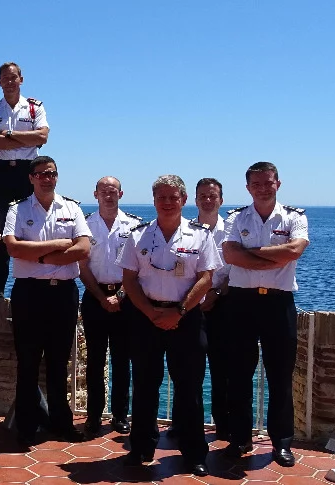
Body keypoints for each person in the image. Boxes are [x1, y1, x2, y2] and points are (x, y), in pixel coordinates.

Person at [117, 175, 218, 476]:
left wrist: (180, 311)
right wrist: (149, 312)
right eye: (161, 196)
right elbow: (129, 280)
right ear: (154, 200)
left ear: (184, 200)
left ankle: (194, 454)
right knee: (145, 387)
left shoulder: (200, 235)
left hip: (186, 320)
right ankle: (140, 449)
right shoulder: (138, 235)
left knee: (190, 390)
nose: (167, 202)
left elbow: (206, 278)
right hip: (145, 318)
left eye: (173, 197)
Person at [221, 162, 309, 467]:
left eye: (267, 183)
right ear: (248, 188)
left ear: (278, 184)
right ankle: (240, 438)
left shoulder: (294, 217)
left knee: (280, 377)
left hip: (278, 304)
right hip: (241, 303)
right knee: (239, 376)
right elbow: (229, 255)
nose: (262, 188)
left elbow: (295, 250)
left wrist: (250, 255)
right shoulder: (235, 218)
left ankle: (282, 443)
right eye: (256, 184)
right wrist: (275, 256)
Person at [1, 156, 89, 448]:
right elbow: (13, 247)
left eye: (51, 173)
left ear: (57, 176)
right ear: (31, 178)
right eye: (40, 174)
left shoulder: (72, 207)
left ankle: (60, 423)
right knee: (27, 362)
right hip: (29, 293)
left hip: (63, 294)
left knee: (57, 362)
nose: (46, 178)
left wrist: (36, 255)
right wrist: (54, 249)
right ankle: (26, 426)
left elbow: (83, 248)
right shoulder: (18, 208)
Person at [77, 176, 141, 438]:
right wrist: (102, 297)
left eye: (112, 191)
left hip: (126, 298)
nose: (108, 195)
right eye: (103, 191)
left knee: (122, 360)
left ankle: (119, 415)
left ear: (121, 194)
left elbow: (137, 268)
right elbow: (82, 267)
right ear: (95, 194)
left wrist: (120, 295)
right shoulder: (85, 225)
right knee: (94, 360)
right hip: (95, 297)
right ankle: (93, 415)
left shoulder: (135, 225)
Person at [0, 62, 49, 297]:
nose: (9, 81)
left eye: (13, 77)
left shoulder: (34, 108)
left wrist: (9, 134)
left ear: (21, 79)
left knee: (30, 225)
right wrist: (26, 139)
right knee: (0, 227)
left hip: (26, 172)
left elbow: (42, 136)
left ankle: (32, 279)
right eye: (5, 78)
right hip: (0, 173)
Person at [193, 177, 231, 440]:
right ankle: (186, 423)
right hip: (191, 307)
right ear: (195, 200)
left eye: (212, 196)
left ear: (221, 200)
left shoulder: (232, 232)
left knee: (222, 369)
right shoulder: (185, 229)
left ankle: (223, 425)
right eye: (203, 196)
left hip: (222, 305)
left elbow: (236, 270)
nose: (208, 200)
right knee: (188, 370)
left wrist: (216, 293)